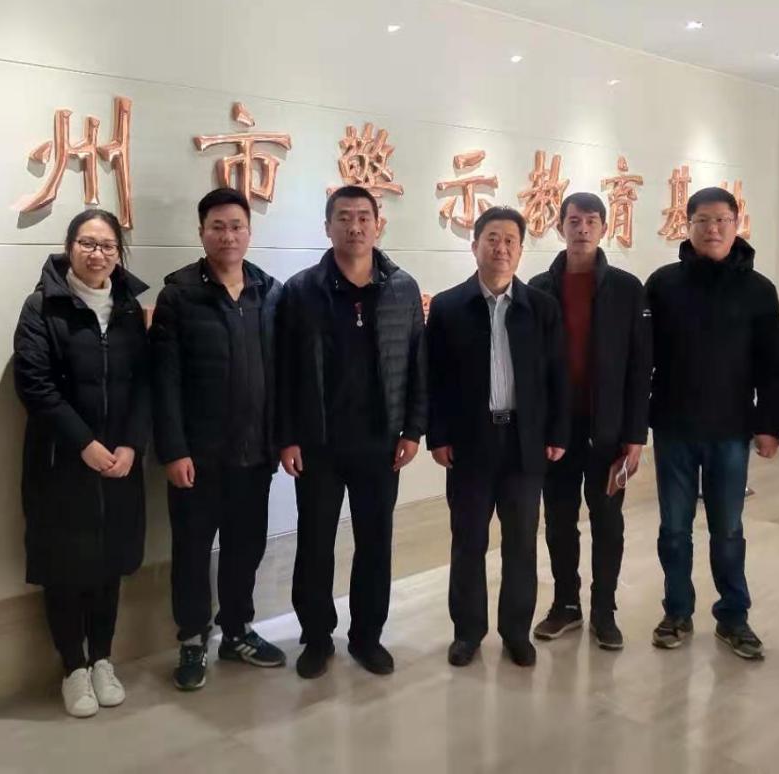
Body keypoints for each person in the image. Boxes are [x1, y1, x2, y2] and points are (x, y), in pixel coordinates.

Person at [276, 185, 428, 679]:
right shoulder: (301, 290)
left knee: (375, 543)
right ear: (328, 226)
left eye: (364, 216)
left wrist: (413, 429)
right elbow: (283, 371)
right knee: (315, 544)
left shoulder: (402, 288)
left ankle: (367, 636)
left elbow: (418, 364)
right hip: (317, 442)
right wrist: (287, 435)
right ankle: (317, 637)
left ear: (378, 224)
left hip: (380, 442)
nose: (355, 226)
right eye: (344, 217)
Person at [12, 209, 150, 718]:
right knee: (66, 567)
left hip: (120, 462)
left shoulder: (129, 308)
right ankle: (73, 666)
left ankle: (102, 660)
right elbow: (35, 386)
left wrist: (131, 445)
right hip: (62, 461)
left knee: (110, 564)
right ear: (70, 247)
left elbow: (145, 383)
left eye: (108, 246)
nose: (98, 254)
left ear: (119, 253)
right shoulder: (41, 307)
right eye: (88, 244)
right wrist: (84, 445)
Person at [151, 188, 285, 692]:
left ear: (249, 232)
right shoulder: (179, 295)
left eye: (236, 226)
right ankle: (192, 639)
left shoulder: (269, 293)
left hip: (254, 454)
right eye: (217, 227)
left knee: (245, 548)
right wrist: (173, 449)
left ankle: (237, 631)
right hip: (197, 458)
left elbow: (282, 375)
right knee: (191, 551)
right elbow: (163, 381)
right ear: (202, 232)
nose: (228, 236)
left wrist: (280, 440)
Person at [645, 186, 779, 659]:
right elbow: (642, 357)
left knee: (727, 529)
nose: (712, 229)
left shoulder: (759, 289)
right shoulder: (663, 284)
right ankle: (677, 612)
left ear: (736, 224)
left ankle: (733, 616)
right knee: (674, 529)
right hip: (674, 427)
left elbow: (773, 363)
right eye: (702, 220)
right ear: (687, 225)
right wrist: (637, 420)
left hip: (731, 428)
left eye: (722, 220)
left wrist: (769, 424)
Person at [427, 206, 570, 668]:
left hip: (524, 444)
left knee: (521, 543)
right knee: (468, 541)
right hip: (470, 443)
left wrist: (558, 432)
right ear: (475, 246)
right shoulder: (448, 307)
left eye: (510, 240)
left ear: (521, 250)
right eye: (492, 238)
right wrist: (438, 435)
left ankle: (515, 632)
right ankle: (467, 633)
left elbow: (558, 376)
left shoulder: (542, 308)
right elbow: (435, 379)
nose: (501, 248)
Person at [529, 193, 652, 650]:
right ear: (559, 226)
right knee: (559, 519)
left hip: (609, 431)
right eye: (574, 221)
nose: (582, 229)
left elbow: (640, 367)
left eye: (592, 221)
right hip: (556, 432)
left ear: (604, 228)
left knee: (607, 521)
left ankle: (604, 610)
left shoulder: (627, 288)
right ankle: (566, 604)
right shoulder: (539, 288)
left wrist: (635, 434)